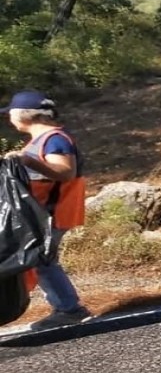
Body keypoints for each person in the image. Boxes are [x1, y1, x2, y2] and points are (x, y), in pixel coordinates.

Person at [3, 90, 92, 329]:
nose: (9, 119)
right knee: (39, 259)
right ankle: (65, 307)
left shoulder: (55, 139)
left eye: (10, 114)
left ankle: (69, 309)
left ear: (23, 116)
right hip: (42, 214)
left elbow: (65, 172)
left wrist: (28, 161)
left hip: (53, 212)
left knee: (42, 260)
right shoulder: (42, 140)